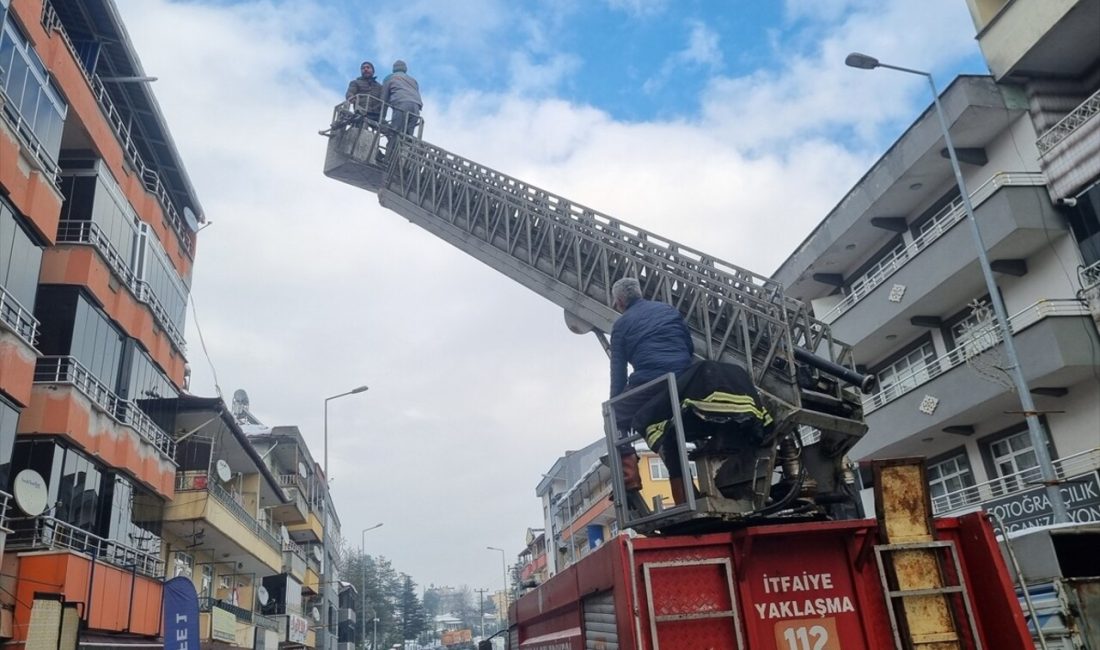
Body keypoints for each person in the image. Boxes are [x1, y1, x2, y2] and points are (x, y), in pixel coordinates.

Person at [608, 277, 694, 496]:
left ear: (619, 300)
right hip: (685, 380)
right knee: (669, 435)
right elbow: (689, 346)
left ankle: (629, 481)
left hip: (652, 382)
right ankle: (684, 493)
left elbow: (618, 372)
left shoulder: (621, 325)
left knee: (613, 414)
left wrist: (615, 403)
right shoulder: (668, 310)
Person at [381, 59, 423, 136]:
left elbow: (384, 99)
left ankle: (392, 147)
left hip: (402, 104)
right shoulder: (413, 80)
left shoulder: (389, 78)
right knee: (407, 135)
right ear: (405, 69)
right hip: (416, 108)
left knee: (395, 132)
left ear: (394, 69)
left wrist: (381, 117)